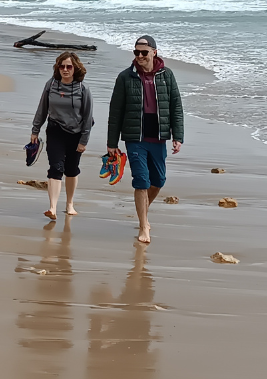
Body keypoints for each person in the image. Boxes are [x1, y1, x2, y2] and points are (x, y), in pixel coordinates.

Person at [107, 36, 183, 243]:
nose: (139, 56)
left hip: (158, 137)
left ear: (154, 52)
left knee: (158, 181)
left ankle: (143, 213)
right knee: (141, 180)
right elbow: (115, 111)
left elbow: (176, 106)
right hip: (135, 136)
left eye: (144, 52)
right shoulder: (125, 77)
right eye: (136, 53)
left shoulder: (167, 75)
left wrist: (178, 136)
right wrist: (111, 143)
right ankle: (144, 226)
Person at [30, 51, 94, 220]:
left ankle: (70, 204)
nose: (65, 69)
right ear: (58, 68)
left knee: (72, 170)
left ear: (75, 68)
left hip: (76, 133)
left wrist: (83, 140)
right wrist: (35, 130)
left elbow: (88, 117)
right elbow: (42, 108)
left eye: (69, 66)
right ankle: (52, 208)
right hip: (55, 130)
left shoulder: (83, 88)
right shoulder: (51, 85)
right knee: (55, 167)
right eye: (62, 66)